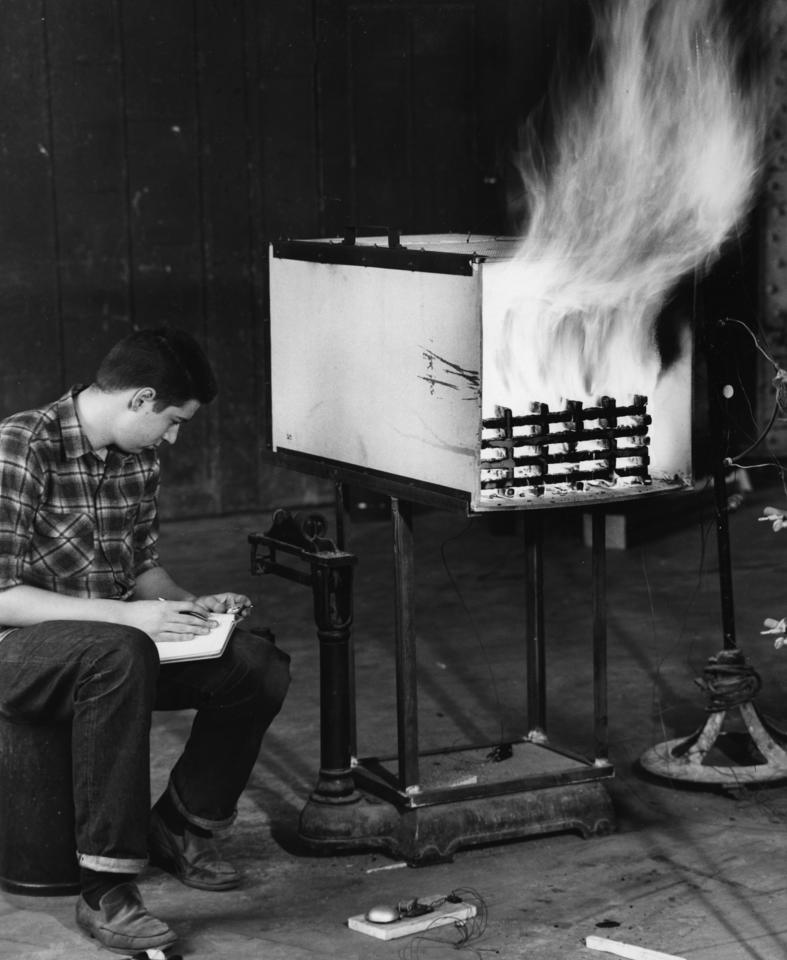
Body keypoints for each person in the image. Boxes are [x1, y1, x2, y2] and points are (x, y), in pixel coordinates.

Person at [0, 327, 291, 953]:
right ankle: (107, 891)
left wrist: (187, 606)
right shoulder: (20, 447)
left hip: (111, 647)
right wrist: (132, 618)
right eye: (173, 421)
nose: (174, 438)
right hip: (18, 651)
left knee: (254, 661)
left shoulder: (140, 458)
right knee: (121, 650)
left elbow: (141, 573)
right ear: (139, 399)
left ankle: (180, 827)